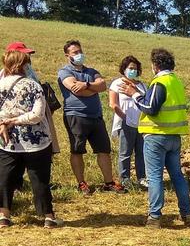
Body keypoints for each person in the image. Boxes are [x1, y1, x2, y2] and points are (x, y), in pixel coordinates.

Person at [121, 48, 190, 228]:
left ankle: (154, 217)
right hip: (173, 136)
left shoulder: (160, 82)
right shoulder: (176, 81)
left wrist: (134, 94)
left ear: (155, 65)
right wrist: (140, 92)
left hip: (156, 136)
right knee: (177, 175)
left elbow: (151, 107)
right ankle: (187, 214)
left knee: (154, 177)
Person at [0, 48, 62, 228]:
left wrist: (5, 123)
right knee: (40, 179)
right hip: (37, 142)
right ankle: (48, 217)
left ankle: (4, 215)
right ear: (23, 65)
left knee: (5, 178)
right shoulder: (33, 85)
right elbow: (37, 115)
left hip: (8, 142)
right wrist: (16, 120)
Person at [57, 39, 125, 195]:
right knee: (77, 150)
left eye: (80, 51)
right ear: (67, 55)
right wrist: (92, 87)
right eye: (75, 52)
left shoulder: (91, 71)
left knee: (104, 150)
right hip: (75, 116)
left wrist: (87, 85)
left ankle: (109, 183)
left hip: (96, 116)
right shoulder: (64, 72)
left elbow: (102, 85)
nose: (79, 54)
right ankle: (81, 183)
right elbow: (76, 89)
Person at [109, 56, 148, 190]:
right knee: (125, 153)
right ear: (124, 69)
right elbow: (113, 104)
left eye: (135, 69)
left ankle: (142, 178)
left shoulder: (142, 86)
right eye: (130, 68)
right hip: (126, 122)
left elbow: (146, 103)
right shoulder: (117, 83)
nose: (133, 71)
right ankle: (124, 178)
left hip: (142, 124)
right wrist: (124, 117)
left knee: (141, 152)